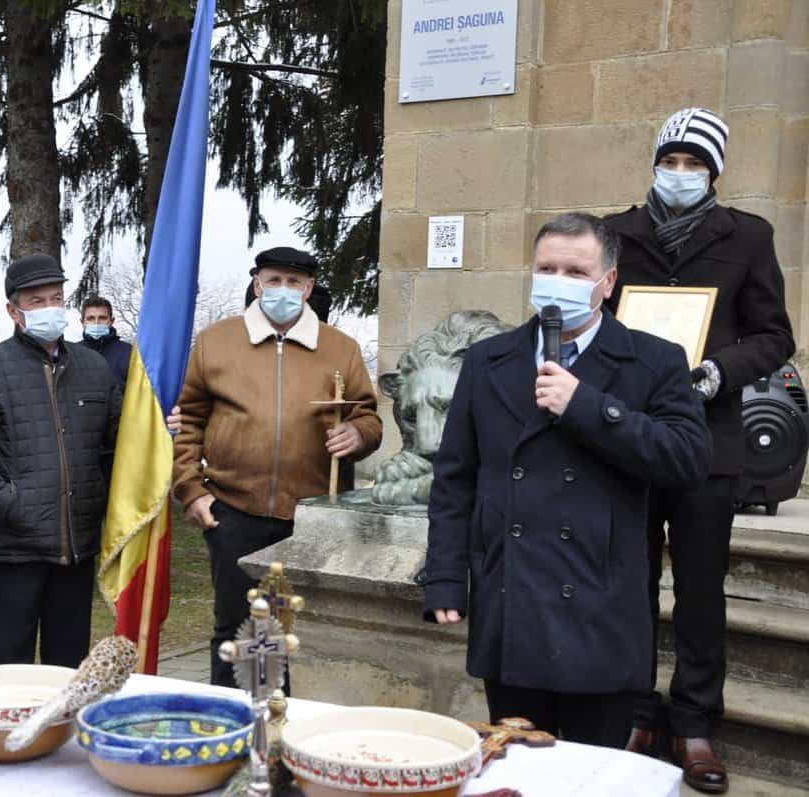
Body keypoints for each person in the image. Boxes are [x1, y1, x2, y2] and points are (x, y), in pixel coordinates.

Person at [421, 213, 712, 749]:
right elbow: (454, 479)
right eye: (547, 267)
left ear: (608, 282)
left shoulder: (654, 360)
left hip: (599, 608)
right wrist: (443, 576)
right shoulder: (488, 361)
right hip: (513, 603)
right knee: (515, 761)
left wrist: (587, 407)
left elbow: (688, 457)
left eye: (576, 271)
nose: (559, 280)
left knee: (589, 771)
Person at [604, 108, 795, 792]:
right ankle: (630, 712)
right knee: (625, 583)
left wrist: (719, 370)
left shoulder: (747, 235)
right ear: (654, 163)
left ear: (714, 171)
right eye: (671, 161)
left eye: (695, 164)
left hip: (708, 442)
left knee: (700, 591)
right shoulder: (616, 234)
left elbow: (775, 335)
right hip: (627, 436)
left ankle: (693, 724)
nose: (680, 174)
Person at [172, 246, 382, 688]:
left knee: (295, 635)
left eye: (293, 282)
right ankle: (229, 735)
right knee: (236, 631)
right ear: (256, 284)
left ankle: (288, 738)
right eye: (273, 280)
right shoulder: (216, 341)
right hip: (233, 510)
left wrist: (359, 435)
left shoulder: (340, 348)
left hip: (310, 517)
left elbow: (368, 416)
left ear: (308, 289)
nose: (282, 290)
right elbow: (188, 419)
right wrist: (191, 489)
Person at [0, 255, 121, 668]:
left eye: (56, 298)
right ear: (13, 311)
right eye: (36, 302)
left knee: (68, 670)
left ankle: (60, 736)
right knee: (8, 669)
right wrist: (11, 503)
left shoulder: (94, 368)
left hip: (76, 547)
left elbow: (117, 444)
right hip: (14, 548)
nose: (49, 308)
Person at [77, 297, 131, 384]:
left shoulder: (129, 353)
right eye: (91, 318)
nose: (97, 323)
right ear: (82, 322)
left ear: (111, 321)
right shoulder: (71, 353)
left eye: (102, 318)